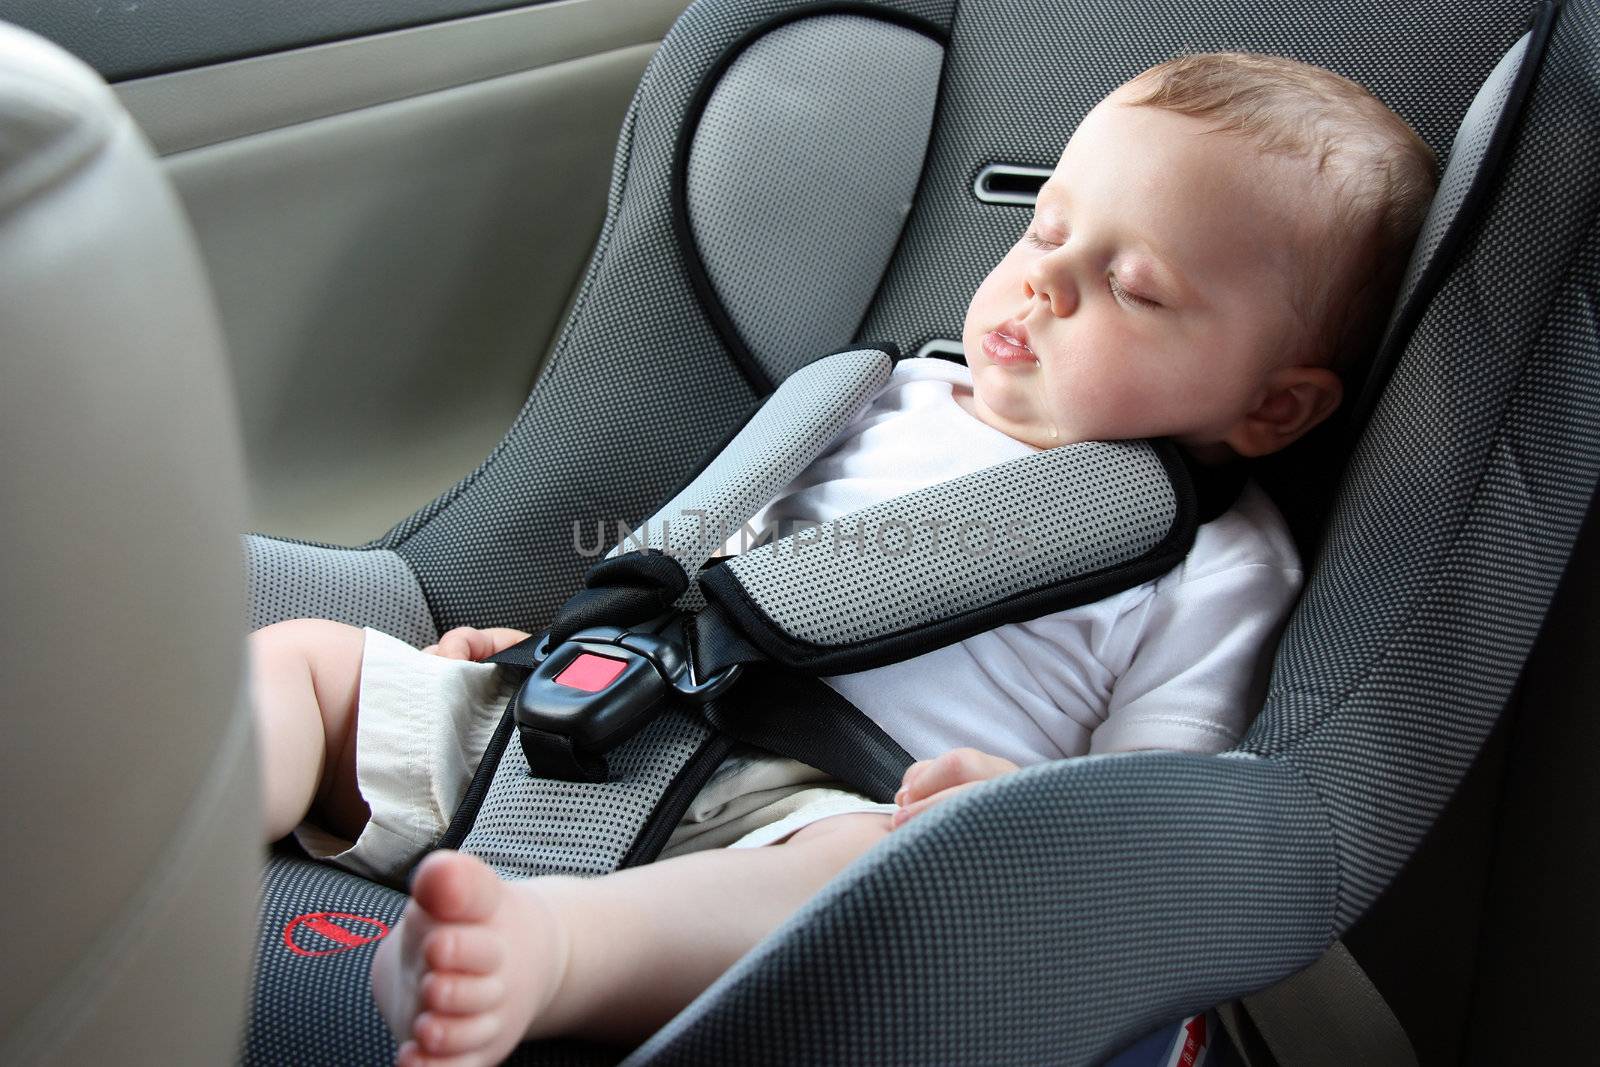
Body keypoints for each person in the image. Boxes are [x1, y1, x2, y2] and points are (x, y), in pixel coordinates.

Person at [248, 51, 1437, 1066]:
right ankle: (166, 839)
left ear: (1273, 409)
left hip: (822, 812)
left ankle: (551, 949)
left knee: (862, 874)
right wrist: (559, 650)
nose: (1043, 281)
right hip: (609, 725)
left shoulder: (1214, 565)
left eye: (1130, 287)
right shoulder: (872, 396)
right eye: (1045, 226)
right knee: (305, 658)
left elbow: (1150, 812)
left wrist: (1011, 812)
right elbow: (716, 569)